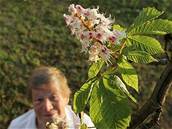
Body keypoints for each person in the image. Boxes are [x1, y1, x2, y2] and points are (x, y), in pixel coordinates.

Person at [8, 66, 95, 129]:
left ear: (66, 98)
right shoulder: (17, 126)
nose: (47, 107)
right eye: (39, 100)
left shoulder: (83, 123)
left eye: (53, 98)